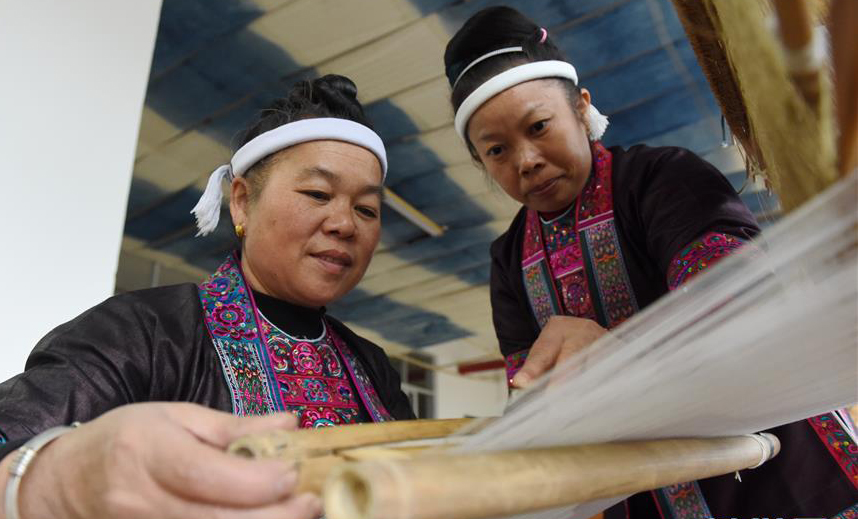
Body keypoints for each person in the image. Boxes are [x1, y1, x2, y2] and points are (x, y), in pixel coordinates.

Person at [443, 6, 857, 517]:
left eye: (539, 126)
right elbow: (530, 389)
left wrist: (616, 353)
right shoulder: (508, 261)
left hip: (783, 474)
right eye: (497, 150)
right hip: (648, 496)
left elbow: (741, 300)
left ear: (581, 109)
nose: (525, 160)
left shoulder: (665, 179)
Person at [0, 74, 414, 519]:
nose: (345, 224)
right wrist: (51, 482)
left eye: (367, 209)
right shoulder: (142, 333)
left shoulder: (373, 368)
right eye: (317, 193)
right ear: (240, 202)